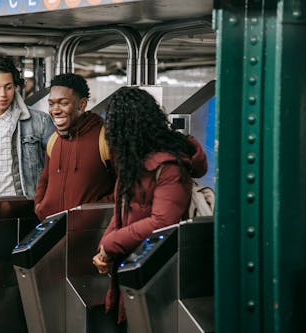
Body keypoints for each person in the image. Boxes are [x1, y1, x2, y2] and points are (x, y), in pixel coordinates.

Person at [92, 86, 208, 324]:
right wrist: (105, 247)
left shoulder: (169, 166)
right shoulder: (133, 160)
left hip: (160, 271)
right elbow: (121, 209)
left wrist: (112, 244)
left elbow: (163, 222)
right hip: (134, 263)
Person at [0, 57, 54, 202]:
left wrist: (45, 201)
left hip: (28, 204)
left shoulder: (40, 120)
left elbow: (56, 164)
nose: (3, 94)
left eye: (8, 87)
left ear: (15, 86)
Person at [34, 73, 115, 220]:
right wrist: (40, 206)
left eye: (63, 103)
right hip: (52, 232)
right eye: (51, 104)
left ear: (82, 104)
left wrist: (92, 213)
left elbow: (124, 186)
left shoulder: (104, 137)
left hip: (88, 233)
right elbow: (45, 179)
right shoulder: (54, 139)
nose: (55, 110)